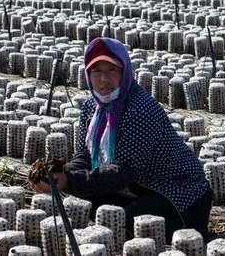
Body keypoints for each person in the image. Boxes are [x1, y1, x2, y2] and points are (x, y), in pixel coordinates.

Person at [29, 37, 213, 242]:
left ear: (124, 72)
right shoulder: (93, 106)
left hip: (176, 189)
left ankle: (190, 235)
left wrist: (71, 180)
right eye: (96, 71)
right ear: (88, 74)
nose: (104, 79)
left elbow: (124, 170)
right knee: (89, 204)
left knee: (127, 220)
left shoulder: (140, 109)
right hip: (136, 186)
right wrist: (62, 174)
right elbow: (85, 156)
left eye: (112, 71)